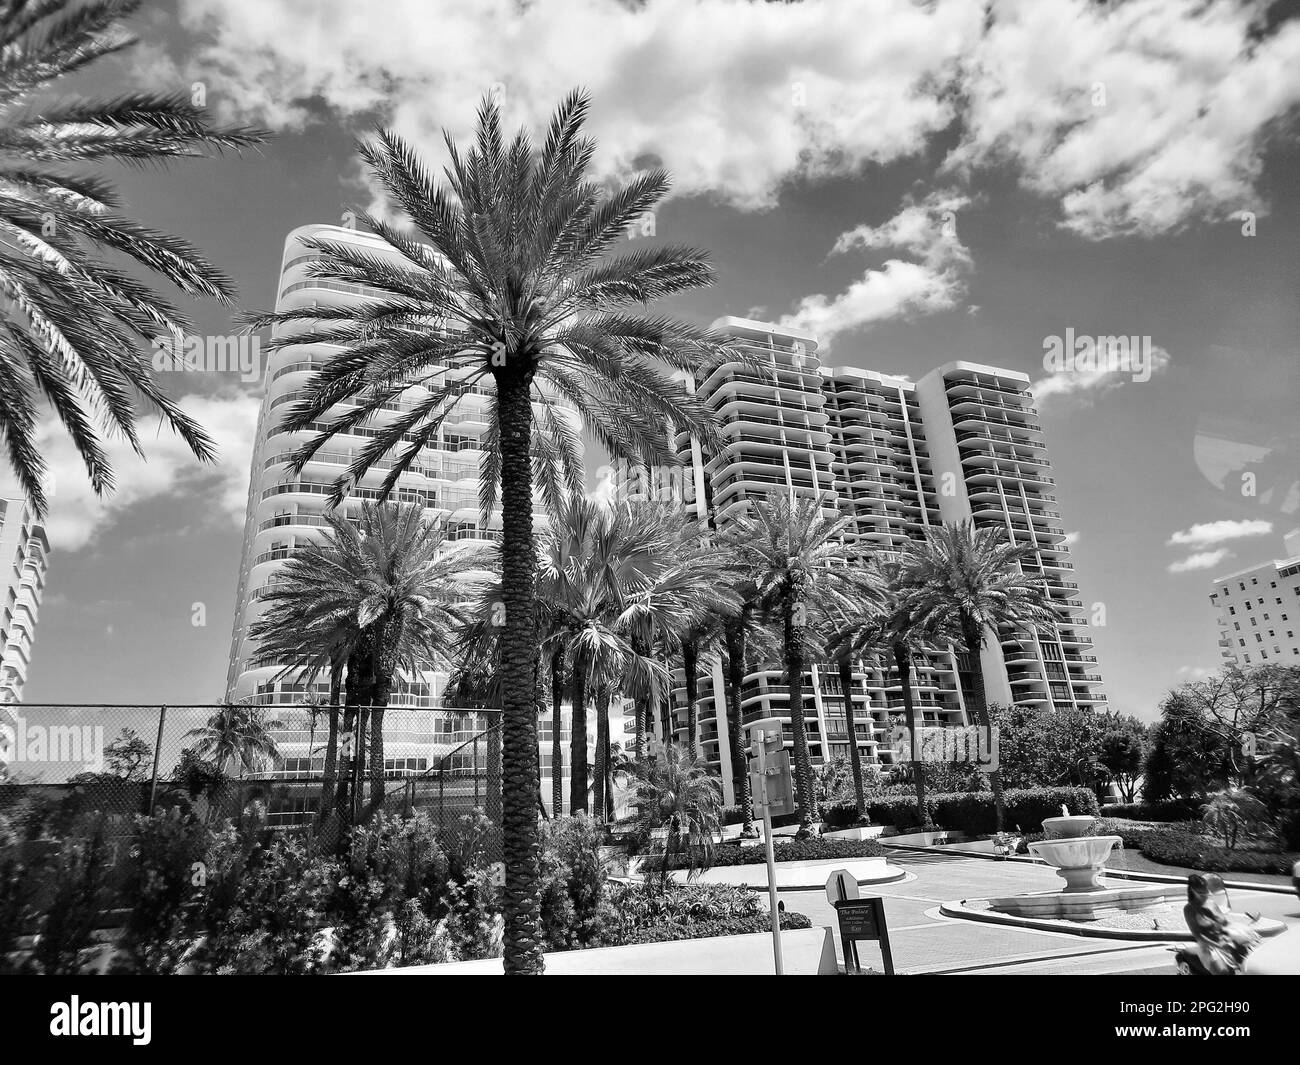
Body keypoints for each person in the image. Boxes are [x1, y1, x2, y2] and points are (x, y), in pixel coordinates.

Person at [1182, 873, 1260, 975]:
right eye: (1201, 892)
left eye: (1205, 890)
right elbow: (1198, 935)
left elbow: (1225, 923)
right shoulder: (1189, 909)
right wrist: (1219, 945)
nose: (1205, 893)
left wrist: (1242, 931)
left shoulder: (1211, 903)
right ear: (1193, 890)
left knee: (1251, 964)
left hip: (1225, 940)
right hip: (1209, 946)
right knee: (1223, 972)